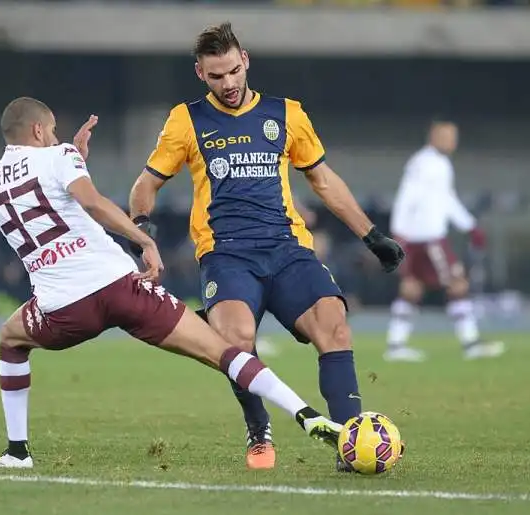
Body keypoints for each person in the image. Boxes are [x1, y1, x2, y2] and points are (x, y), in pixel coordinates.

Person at [0, 97, 343, 469]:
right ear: (39, 130)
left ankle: (17, 452)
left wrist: (73, 158)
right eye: (52, 130)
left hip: (63, 310)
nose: (56, 137)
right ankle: (306, 413)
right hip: (122, 287)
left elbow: (44, 201)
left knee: (11, 338)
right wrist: (144, 239)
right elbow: (90, 202)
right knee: (224, 352)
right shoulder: (59, 156)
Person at [128, 23, 404, 471]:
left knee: (333, 326)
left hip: (287, 248)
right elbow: (145, 185)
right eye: (216, 76)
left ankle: (348, 442)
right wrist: (143, 233)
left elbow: (323, 181)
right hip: (227, 254)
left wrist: (372, 235)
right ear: (200, 73)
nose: (229, 84)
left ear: (246, 61)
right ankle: (259, 430)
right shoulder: (186, 120)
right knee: (234, 338)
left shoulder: (287, 114)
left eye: (234, 71)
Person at [386, 118, 505, 362]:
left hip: (420, 237)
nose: (452, 141)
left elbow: (446, 200)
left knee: (412, 288)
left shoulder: (437, 163)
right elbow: (407, 196)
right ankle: (471, 343)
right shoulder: (427, 163)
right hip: (428, 237)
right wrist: (398, 231)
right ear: (433, 136)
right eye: (447, 136)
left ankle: (395, 345)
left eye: (454, 136)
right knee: (457, 283)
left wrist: (469, 225)